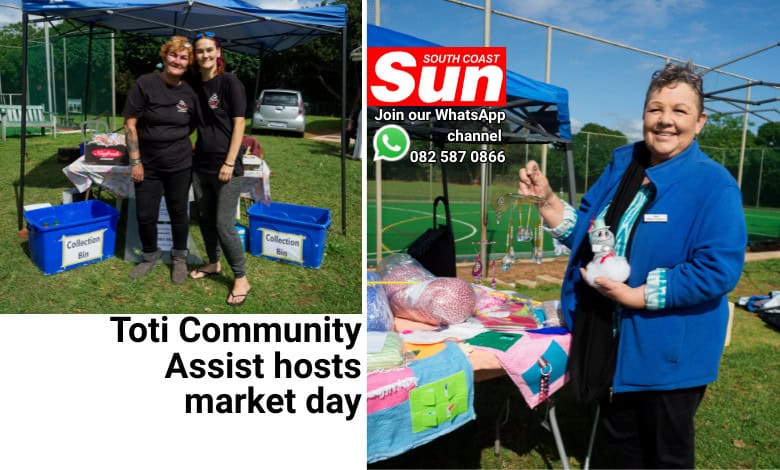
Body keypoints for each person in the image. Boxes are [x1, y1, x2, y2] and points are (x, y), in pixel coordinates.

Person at [517, 62, 746, 468]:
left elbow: (718, 268)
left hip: (669, 356)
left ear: (701, 121)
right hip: (611, 340)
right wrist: (548, 202)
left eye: (680, 110)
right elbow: (594, 239)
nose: (665, 120)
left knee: (663, 457)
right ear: (643, 114)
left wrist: (639, 295)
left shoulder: (713, 183)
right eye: (656, 108)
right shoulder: (623, 165)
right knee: (618, 450)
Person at [123, 35, 198, 284]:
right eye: (174, 55)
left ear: (188, 64)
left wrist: (171, 141)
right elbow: (130, 124)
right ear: (165, 55)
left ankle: (179, 259)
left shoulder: (190, 92)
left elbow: (192, 125)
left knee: (179, 212)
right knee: (145, 214)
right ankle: (149, 256)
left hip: (180, 164)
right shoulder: (145, 84)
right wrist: (136, 161)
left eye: (184, 57)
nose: (177, 60)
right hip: (148, 165)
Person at [187, 31, 251, 306]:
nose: (205, 55)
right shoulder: (194, 86)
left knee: (224, 224)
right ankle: (213, 263)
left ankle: (241, 277)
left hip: (226, 166)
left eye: (209, 50)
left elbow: (239, 124)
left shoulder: (229, 82)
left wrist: (229, 162)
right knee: (205, 219)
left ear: (218, 52)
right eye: (200, 51)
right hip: (200, 164)